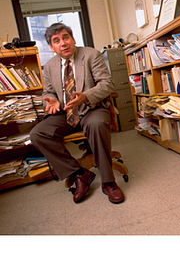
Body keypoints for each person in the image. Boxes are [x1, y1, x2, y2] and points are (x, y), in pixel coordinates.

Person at [30, 23, 124, 204]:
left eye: (65, 38)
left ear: (73, 39)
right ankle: (80, 174)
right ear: (51, 47)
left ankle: (108, 182)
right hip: (64, 113)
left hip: (92, 108)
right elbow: (47, 92)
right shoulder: (49, 66)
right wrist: (51, 99)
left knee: (96, 124)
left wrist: (86, 96)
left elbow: (107, 84)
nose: (63, 43)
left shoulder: (91, 55)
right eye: (56, 41)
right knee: (37, 134)